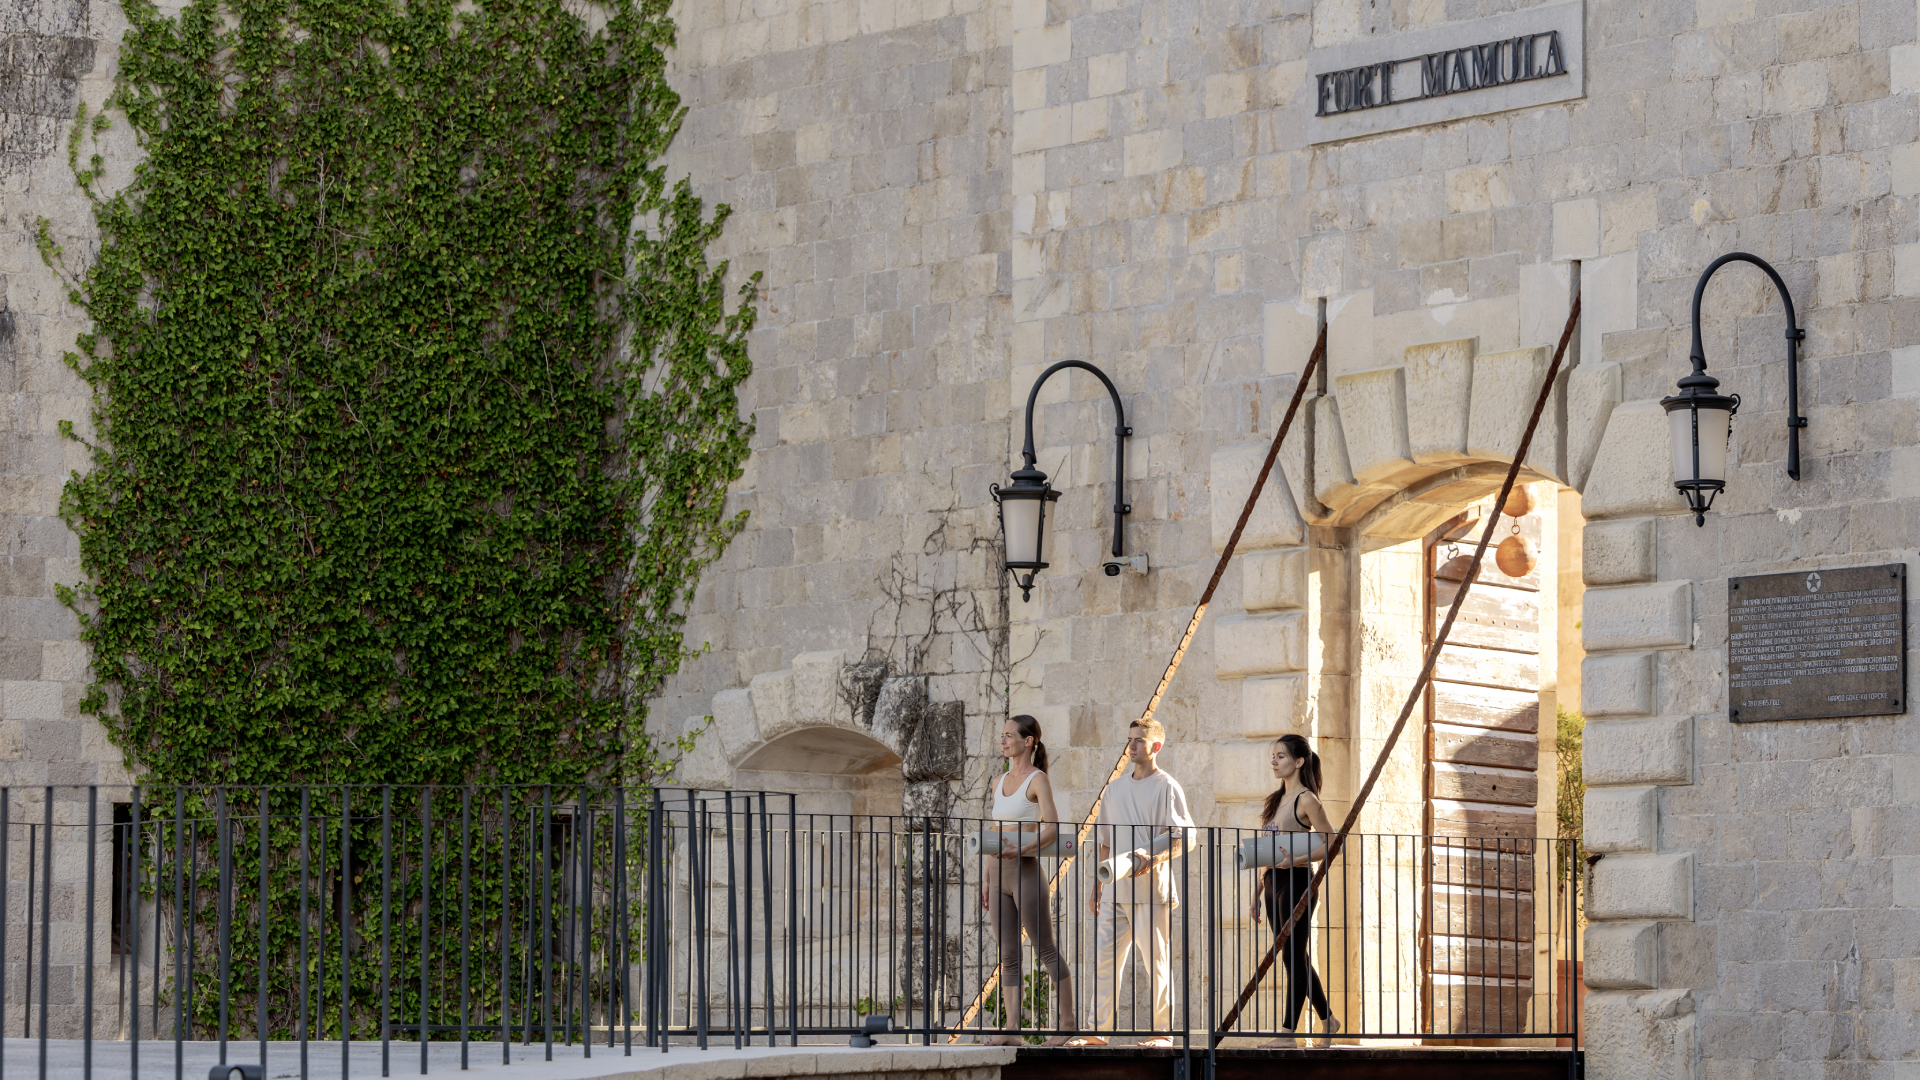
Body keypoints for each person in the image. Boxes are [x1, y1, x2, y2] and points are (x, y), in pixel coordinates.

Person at [1067, 718, 1195, 1048]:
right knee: (1105, 962)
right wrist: (1098, 886)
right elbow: (1106, 842)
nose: (1132, 745)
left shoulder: (1168, 786)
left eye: (1139, 740)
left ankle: (1162, 1033)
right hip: (1113, 891)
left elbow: (1184, 838)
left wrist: (1152, 858)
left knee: (1156, 964)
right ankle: (1096, 1031)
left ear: (1156, 746)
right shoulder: (1115, 788)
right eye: (1129, 739)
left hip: (1153, 893)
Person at [980, 715, 1078, 1046]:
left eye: (1010, 736)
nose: (1004, 740)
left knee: (1045, 949)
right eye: (1003, 735)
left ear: (1029, 741)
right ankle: (1012, 1030)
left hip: (1025, 871)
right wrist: (985, 878)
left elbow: (1052, 827)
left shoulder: (1037, 780)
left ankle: (1067, 1024)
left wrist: (1022, 847)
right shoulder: (998, 781)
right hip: (997, 876)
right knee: (1008, 954)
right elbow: (994, 833)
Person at [1248, 733, 1340, 1048]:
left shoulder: (1307, 799)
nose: (1274, 761)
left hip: (1298, 881)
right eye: (1273, 755)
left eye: (1281, 756)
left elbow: (1332, 842)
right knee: (1293, 956)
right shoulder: (1275, 800)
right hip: (1273, 883)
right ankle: (1328, 1020)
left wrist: (1298, 859)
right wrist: (1258, 890)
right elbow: (1267, 849)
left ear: (1299, 761)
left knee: (1292, 956)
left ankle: (1289, 1033)